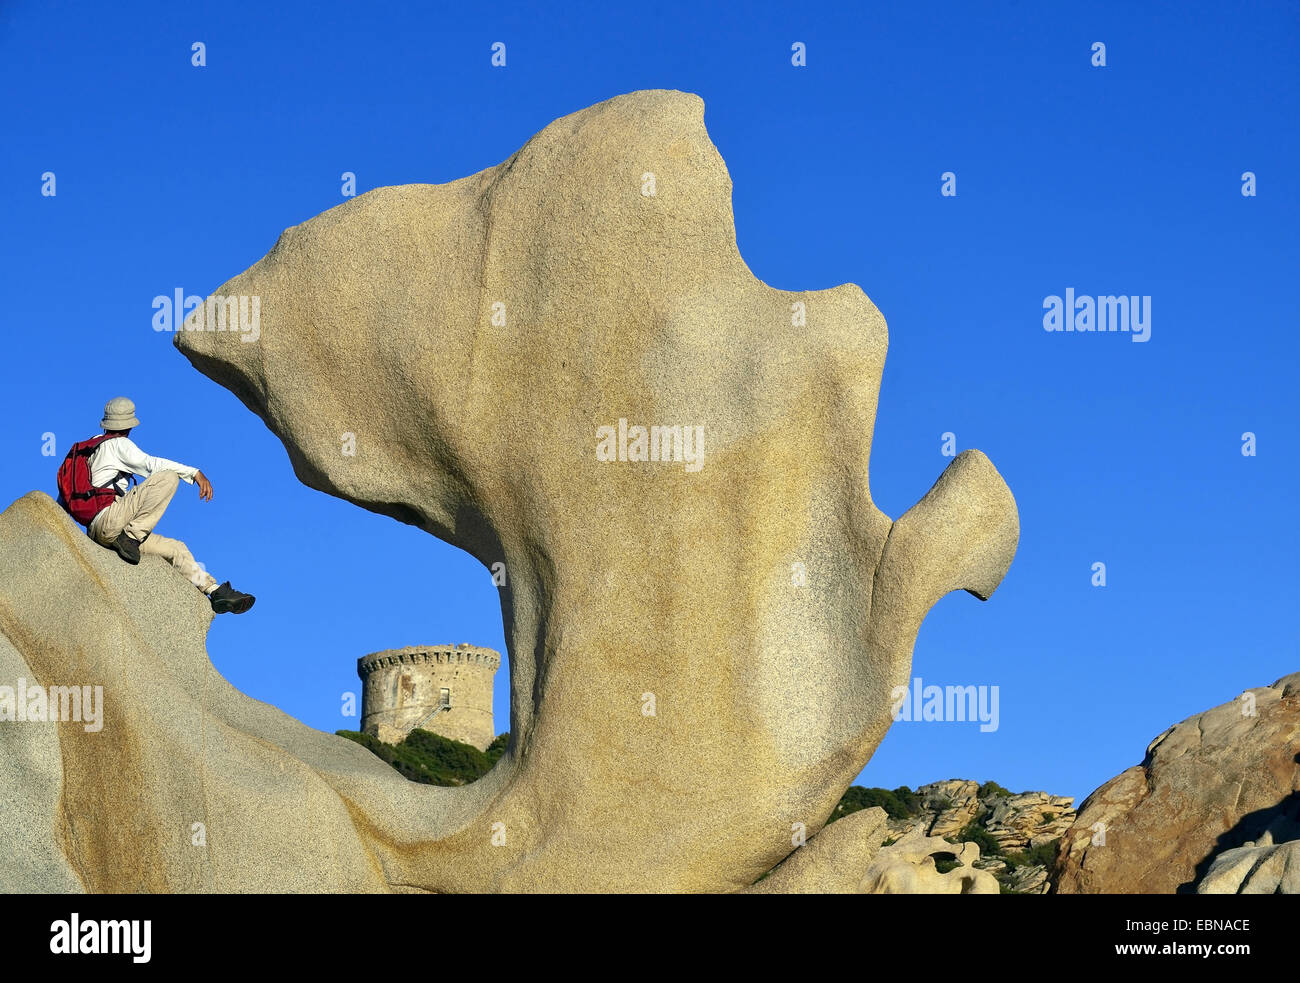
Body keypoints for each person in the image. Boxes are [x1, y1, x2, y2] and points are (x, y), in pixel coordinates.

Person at [75, 396, 255, 615]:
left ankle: (215, 591)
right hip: (110, 522)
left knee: (176, 549)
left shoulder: (89, 449)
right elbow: (152, 465)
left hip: (103, 528)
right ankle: (131, 538)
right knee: (168, 477)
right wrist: (194, 473)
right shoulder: (117, 444)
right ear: (130, 425)